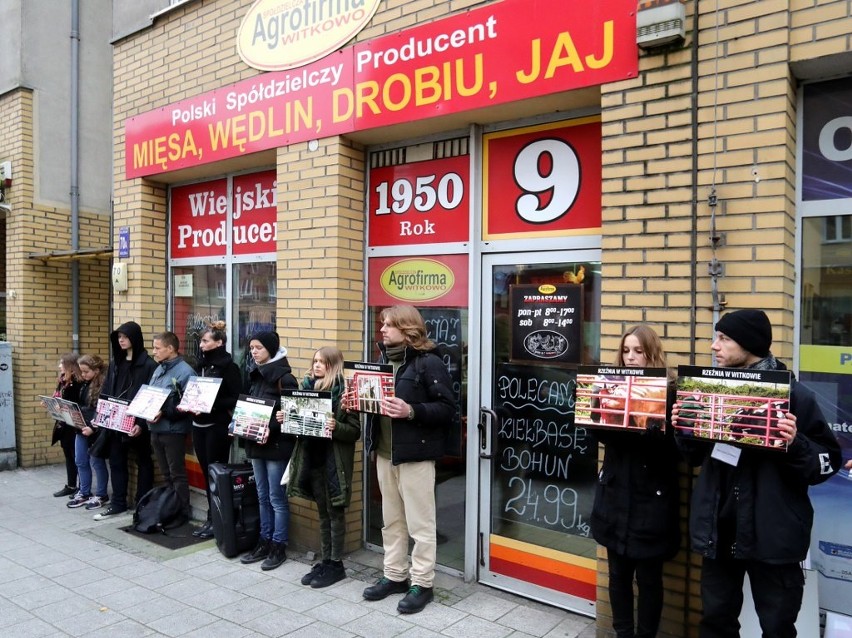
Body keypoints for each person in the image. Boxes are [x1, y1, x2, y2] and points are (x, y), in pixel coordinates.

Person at [674, 309, 841, 638]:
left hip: (773, 535)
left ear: (748, 345)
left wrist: (795, 443)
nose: (713, 346)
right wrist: (683, 427)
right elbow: (692, 457)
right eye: (716, 337)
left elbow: (828, 462)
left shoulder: (795, 397)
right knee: (716, 622)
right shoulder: (710, 391)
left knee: (777, 627)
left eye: (723, 339)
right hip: (719, 532)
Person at [359, 305, 455, 614]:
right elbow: (377, 405)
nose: (382, 330)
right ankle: (395, 575)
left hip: (416, 457)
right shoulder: (382, 363)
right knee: (392, 521)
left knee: (420, 524)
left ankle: (422, 583)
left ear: (407, 329)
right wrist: (356, 402)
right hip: (385, 455)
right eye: (383, 324)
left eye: (388, 325)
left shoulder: (429, 363)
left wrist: (411, 411)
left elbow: (447, 410)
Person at [589, 325, 680, 638]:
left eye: (638, 351)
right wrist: (592, 416)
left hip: (651, 499)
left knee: (649, 578)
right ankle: (623, 634)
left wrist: (660, 434)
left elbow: (684, 451)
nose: (630, 357)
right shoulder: (611, 386)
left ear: (652, 353)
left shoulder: (670, 391)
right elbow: (603, 437)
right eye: (626, 351)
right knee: (617, 574)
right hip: (614, 494)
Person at [285, 347, 361, 588]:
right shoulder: (305, 388)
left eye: (323, 362)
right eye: (315, 361)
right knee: (323, 513)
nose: (317, 366)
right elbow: (299, 425)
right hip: (312, 459)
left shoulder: (345, 393)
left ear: (334, 365)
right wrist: (285, 418)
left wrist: (335, 425)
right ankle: (326, 559)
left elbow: (355, 432)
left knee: (335, 513)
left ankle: (336, 564)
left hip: (334, 462)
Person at [239, 331, 298, 571]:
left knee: (277, 498)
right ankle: (264, 541)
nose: (254, 351)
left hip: (276, 446)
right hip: (255, 443)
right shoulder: (255, 374)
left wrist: (267, 423)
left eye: (259, 348)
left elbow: (292, 416)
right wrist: (241, 422)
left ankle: (278, 545)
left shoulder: (285, 378)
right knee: (262, 496)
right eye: (251, 347)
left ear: (271, 349)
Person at [181, 321, 241, 539]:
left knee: (217, 475)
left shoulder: (229, 367)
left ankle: (220, 519)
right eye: (201, 341)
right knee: (207, 474)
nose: (202, 344)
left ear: (219, 342)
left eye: (206, 341)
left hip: (217, 426)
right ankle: (211, 517)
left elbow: (235, 397)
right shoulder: (200, 366)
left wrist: (211, 404)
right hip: (198, 425)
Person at [96, 321, 157, 520]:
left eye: (125, 337)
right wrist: (101, 415)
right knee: (116, 461)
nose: (121, 340)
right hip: (115, 420)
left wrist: (140, 423)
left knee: (143, 461)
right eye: (118, 337)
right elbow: (107, 390)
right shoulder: (116, 363)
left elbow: (151, 395)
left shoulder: (148, 365)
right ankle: (118, 503)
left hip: (138, 422)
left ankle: (142, 503)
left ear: (135, 338)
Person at [146, 331, 195, 519]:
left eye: (157, 348)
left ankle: (182, 511)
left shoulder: (185, 372)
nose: (154, 352)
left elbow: (187, 405)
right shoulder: (159, 369)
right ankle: (169, 507)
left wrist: (164, 412)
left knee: (177, 473)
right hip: (155, 429)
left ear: (171, 348)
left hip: (173, 431)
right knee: (165, 473)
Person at [67, 354, 110, 510]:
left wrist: (93, 427)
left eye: (86, 371)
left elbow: (104, 410)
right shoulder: (84, 384)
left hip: (95, 429)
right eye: (81, 371)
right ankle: (84, 492)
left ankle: (101, 494)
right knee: (80, 460)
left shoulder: (104, 386)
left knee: (96, 462)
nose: (83, 375)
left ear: (96, 371)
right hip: (81, 427)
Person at [50, 353, 83, 497]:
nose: (59, 366)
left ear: (71, 366)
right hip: (63, 423)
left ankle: (82, 487)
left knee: (77, 456)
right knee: (68, 455)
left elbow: (76, 404)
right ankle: (71, 485)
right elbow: (58, 396)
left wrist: (61, 406)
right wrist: (51, 402)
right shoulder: (63, 381)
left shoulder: (77, 383)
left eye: (62, 364)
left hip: (73, 424)